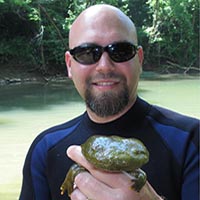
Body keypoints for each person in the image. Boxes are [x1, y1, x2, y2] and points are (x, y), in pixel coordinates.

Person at [19, 4, 199, 200]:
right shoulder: (45, 150)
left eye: (120, 51)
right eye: (87, 53)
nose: (104, 66)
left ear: (139, 59)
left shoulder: (191, 140)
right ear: (70, 65)